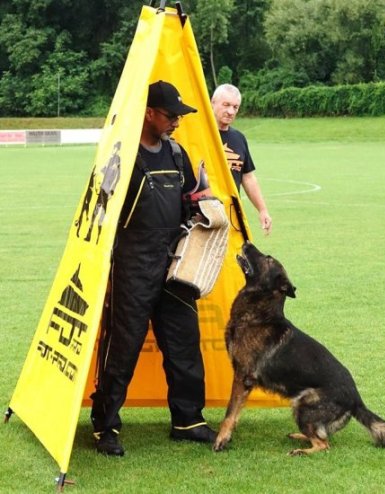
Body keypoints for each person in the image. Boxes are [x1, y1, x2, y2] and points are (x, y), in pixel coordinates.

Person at [90, 80, 216, 456]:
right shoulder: (123, 158)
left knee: (184, 343)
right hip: (133, 264)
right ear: (149, 114)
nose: (177, 121)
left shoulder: (178, 155)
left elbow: (195, 199)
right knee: (122, 347)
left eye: (179, 115)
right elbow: (100, 212)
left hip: (175, 265)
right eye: (171, 114)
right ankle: (106, 426)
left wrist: (208, 210)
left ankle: (188, 420)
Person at [211, 83, 272, 235]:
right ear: (212, 102)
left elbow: (248, 177)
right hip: (204, 216)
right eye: (226, 105)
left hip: (231, 214)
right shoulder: (199, 135)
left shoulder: (239, 138)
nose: (231, 111)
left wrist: (262, 210)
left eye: (235, 107)